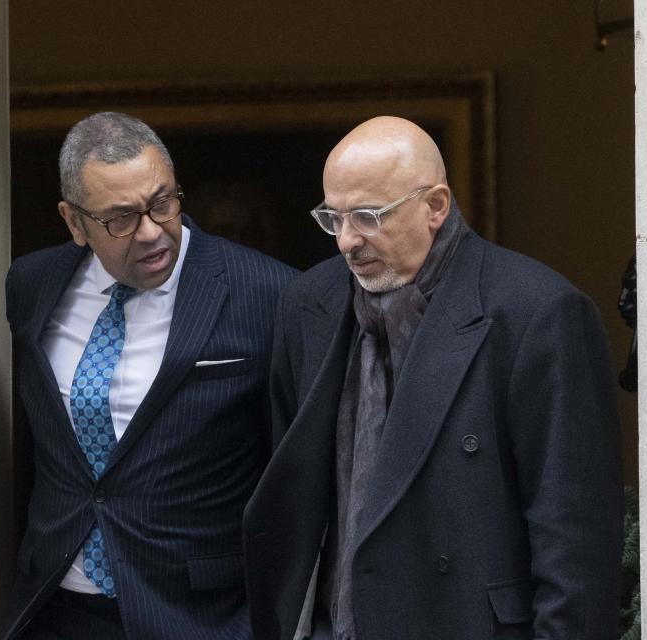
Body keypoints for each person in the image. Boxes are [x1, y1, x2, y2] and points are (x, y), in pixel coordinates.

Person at [243, 116, 623, 640]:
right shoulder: (310, 303)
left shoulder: (537, 312)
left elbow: (574, 545)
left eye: (369, 216)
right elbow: (295, 497)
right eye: (333, 218)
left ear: (436, 207)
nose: (347, 242)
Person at [1, 112, 295, 640]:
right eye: (121, 218)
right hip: (57, 608)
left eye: (163, 202)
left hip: (200, 615)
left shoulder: (269, 294)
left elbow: (296, 471)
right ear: (74, 223)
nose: (153, 231)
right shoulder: (30, 286)